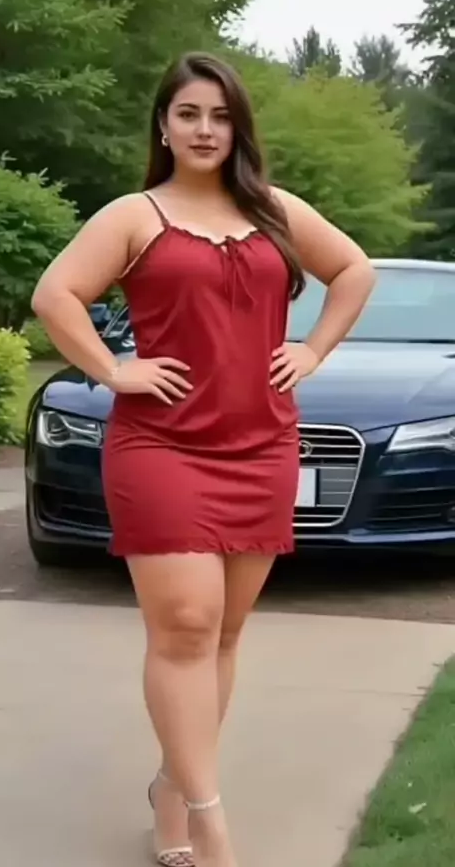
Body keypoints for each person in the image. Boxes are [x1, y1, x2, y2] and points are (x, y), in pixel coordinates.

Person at [31, 51, 375, 867]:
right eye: (188, 113)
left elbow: (354, 270)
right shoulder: (135, 215)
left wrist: (314, 349)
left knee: (222, 634)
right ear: (163, 125)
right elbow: (55, 295)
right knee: (185, 625)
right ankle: (211, 821)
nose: (205, 129)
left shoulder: (274, 211)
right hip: (161, 446)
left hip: (261, 444)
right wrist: (114, 370)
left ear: (238, 128)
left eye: (220, 116)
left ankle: (173, 787)